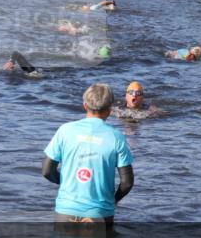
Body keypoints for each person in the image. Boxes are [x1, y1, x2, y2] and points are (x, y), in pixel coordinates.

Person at [42, 83, 134, 225]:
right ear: (110, 109)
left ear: (85, 105)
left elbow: (47, 171)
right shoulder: (117, 137)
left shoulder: (65, 131)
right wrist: (113, 200)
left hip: (65, 212)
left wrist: (65, 180)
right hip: (100, 214)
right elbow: (127, 183)